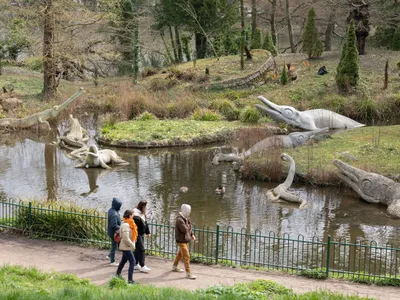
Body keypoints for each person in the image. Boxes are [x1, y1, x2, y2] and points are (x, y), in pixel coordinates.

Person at [172, 204, 197, 279]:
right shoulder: (180, 220)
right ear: (184, 211)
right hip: (181, 240)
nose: (189, 212)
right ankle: (188, 273)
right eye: (188, 211)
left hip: (185, 239)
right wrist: (189, 227)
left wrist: (192, 234)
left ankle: (174, 266)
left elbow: (189, 227)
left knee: (180, 254)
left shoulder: (186, 218)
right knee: (186, 256)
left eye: (190, 211)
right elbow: (185, 229)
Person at [116, 209, 138, 284]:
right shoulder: (126, 225)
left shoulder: (130, 224)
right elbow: (125, 238)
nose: (133, 216)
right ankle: (130, 280)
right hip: (126, 247)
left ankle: (117, 275)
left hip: (126, 246)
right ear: (129, 215)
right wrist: (132, 245)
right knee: (133, 262)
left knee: (123, 261)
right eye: (132, 215)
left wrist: (133, 242)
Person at [133, 200, 151, 273]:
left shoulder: (142, 214)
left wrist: (147, 232)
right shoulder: (136, 215)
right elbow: (139, 225)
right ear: (143, 207)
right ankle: (142, 265)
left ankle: (135, 263)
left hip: (141, 234)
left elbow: (145, 223)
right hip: (137, 234)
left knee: (138, 249)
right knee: (141, 249)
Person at [107, 197, 122, 266]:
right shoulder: (114, 214)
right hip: (114, 233)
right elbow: (114, 225)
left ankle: (109, 256)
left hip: (110, 232)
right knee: (114, 246)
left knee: (114, 246)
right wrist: (121, 228)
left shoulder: (111, 210)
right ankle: (112, 261)